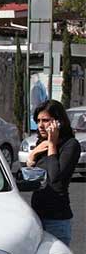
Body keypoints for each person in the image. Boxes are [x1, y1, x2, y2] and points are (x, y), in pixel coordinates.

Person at [26, 100, 80, 246]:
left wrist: (51, 145)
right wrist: (33, 154)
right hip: (36, 216)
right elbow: (31, 175)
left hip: (57, 219)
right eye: (38, 121)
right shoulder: (41, 143)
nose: (40, 125)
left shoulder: (70, 145)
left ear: (58, 122)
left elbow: (56, 180)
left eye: (45, 120)